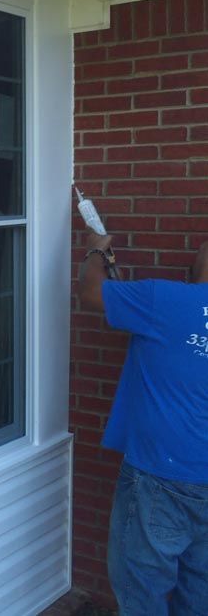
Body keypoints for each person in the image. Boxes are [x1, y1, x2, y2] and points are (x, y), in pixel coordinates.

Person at [78, 234, 208, 615]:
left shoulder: (164, 300)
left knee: (140, 595)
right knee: (198, 595)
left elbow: (91, 292)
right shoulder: (161, 303)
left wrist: (96, 250)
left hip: (160, 480)